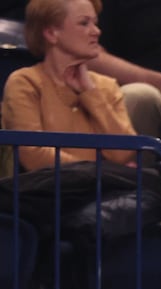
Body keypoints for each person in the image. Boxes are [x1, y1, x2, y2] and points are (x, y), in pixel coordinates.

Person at [2, 0, 137, 175]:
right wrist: (99, 172)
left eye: (95, 23)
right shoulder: (25, 82)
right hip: (46, 195)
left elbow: (124, 153)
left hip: (104, 195)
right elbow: (32, 155)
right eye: (84, 23)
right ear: (51, 33)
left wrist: (90, 93)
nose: (96, 31)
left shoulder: (106, 86)